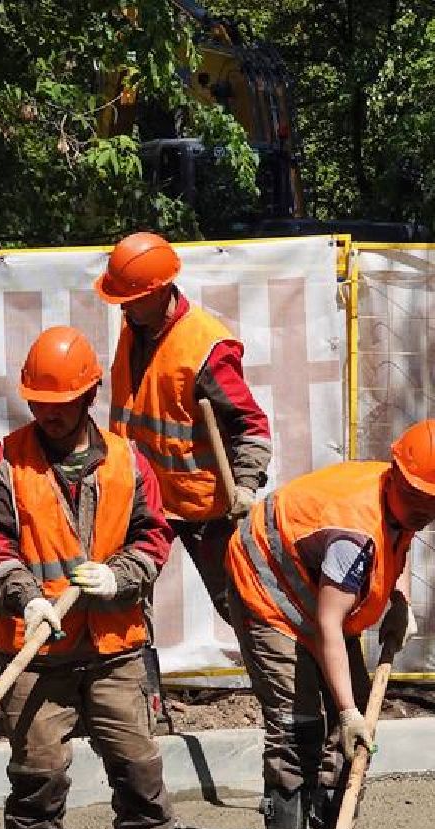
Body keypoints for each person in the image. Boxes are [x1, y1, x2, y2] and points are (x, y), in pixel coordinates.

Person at [0, 325, 189, 829]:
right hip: (37, 650)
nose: (50, 415)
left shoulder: (129, 464)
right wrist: (27, 596)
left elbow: (152, 539)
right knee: (38, 768)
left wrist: (122, 577)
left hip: (116, 647)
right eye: (40, 404)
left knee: (137, 761)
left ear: (89, 397)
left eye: (61, 405)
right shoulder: (0, 466)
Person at [224, 419, 435, 829]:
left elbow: (400, 539)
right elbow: (329, 625)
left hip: (313, 579)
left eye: (434, 503)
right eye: (417, 498)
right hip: (267, 582)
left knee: (351, 719)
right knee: (300, 719)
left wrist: (398, 601)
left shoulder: (405, 496)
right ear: (396, 476)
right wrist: (349, 711)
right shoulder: (353, 534)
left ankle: (332, 827)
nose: (423, 510)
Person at [96, 231, 272, 625]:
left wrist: (244, 484)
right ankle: (139, 687)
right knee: (124, 608)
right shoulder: (135, 326)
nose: (123, 308)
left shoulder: (206, 347)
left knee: (244, 608)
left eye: (132, 299)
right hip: (140, 496)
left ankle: (292, 681)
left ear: (160, 291)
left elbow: (251, 424)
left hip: (203, 506)